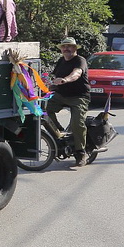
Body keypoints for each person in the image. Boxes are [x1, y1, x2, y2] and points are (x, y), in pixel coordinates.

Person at [46, 37, 91, 167]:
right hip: (61, 95)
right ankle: (59, 131)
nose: (66, 49)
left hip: (79, 97)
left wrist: (65, 80)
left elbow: (76, 73)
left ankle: (81, 152)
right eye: (64, 47)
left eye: (69, 46)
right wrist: (48, 85)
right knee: (43, 111)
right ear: (61, 50)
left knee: (78, 123)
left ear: (75, 48)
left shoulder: (80, 60)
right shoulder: (61, 61)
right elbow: (54, 78)